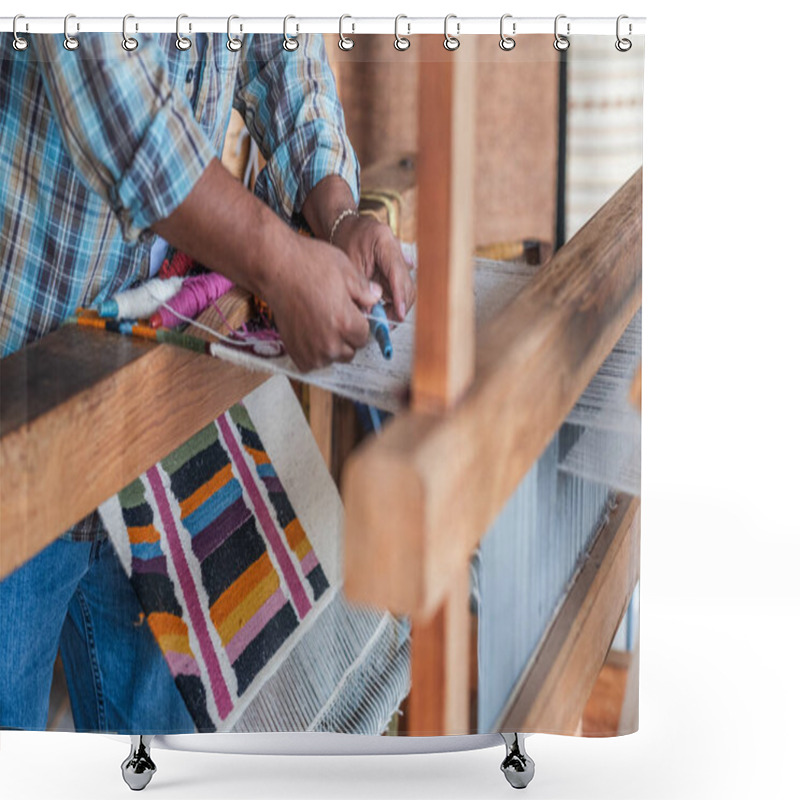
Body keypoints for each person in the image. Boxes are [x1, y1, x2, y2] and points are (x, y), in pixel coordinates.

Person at [0, 31, 415, 732]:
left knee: (158, 745)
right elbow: (108, 80)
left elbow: (281, 46)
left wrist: (338, 213)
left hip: (144, 377)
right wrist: (279, 262)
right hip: (15, 387)